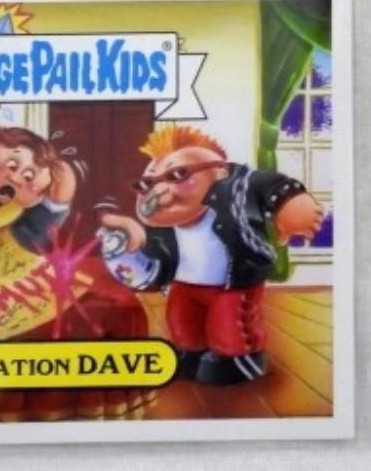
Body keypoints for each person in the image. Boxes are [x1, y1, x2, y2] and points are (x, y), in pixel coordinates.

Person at [97, 125, 323, 384]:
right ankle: (191, 354)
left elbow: (268, 185)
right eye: (148, 183)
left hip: (232, 284)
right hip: (185, 284)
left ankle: (240, 360)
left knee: (230, 325)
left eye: (177, 174)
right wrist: (136, 242)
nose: (158, 190)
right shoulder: (163, 226)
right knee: (181, 321)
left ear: (221, 172)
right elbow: (157, 260)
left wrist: (291, 204)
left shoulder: (238, 191)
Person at [0, 126, 78, 250]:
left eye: (28, 177)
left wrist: (56, 203)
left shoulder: (25, 219)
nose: (15, 179)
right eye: (12, 165)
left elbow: (37, 241)